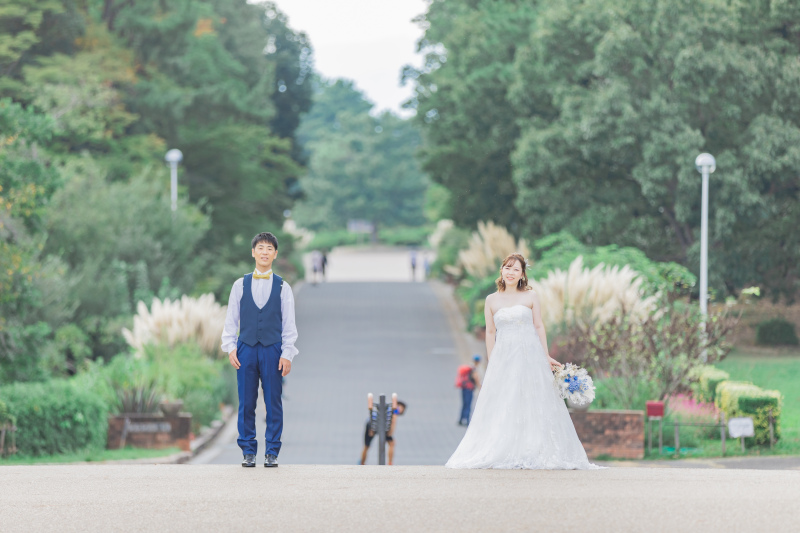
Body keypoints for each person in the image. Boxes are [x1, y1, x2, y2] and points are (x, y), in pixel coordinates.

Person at [446, 253, 600, 470]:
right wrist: (492, 360)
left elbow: (539, 326)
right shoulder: (491, 300)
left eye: (516, 269)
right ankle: (503, 448)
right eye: (507, 268)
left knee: (534, 399)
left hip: (530, 354)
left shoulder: (530, 296)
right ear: (502, 270)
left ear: (522, 274)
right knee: (505, 399)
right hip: (504, 355)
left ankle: (535, 449)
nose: (511, 272)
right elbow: (490, 331)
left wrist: (545, 355)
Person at [221, 232, 298, 468]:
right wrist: (230, 347)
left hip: (273, 349)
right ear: (253, 252)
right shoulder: (239, 284)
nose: (264, 252)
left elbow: (289, 324)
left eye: (269, 248)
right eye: (260, 248)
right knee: (246, 401)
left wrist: (287, 353)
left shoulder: (283, 287)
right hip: (246, 348)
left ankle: (272, 451)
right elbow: (231, 320)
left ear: (275, 254)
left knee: (274, 401)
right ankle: (248, 450)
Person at [360, 393, 406, 466]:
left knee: (367, 446)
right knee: (391, 443)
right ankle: (390, 463)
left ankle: (362, 463)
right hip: (379, 425)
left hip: (373, 423)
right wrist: (390, 433)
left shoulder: (389, 408)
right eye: (401, 408)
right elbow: (393, 422)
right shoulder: (395, 410)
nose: (400, 410)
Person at [456, 355, 482, 425]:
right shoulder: (474, 369)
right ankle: (467, 420)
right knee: (468, 404)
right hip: (469, 388)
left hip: (464, 388)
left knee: (464, 403)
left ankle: (461, 419)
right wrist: (480, 387)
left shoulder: (469, 366)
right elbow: (476, 378)